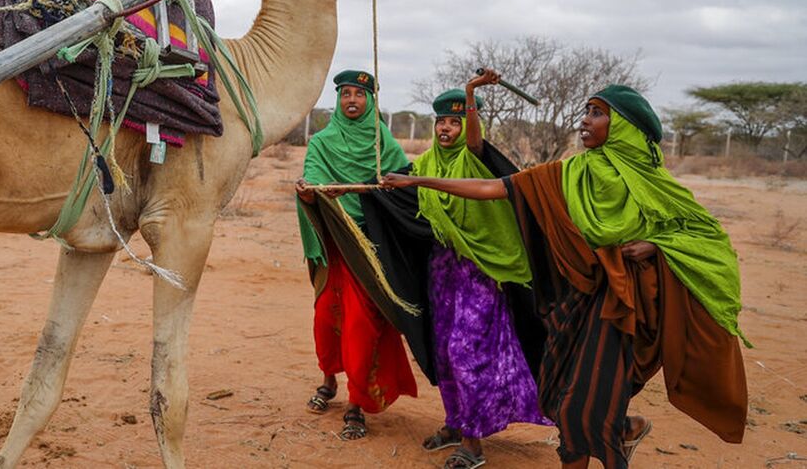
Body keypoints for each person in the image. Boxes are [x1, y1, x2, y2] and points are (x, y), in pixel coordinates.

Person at [380, 85, 748, 468]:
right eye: (585, 111)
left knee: (581, 409)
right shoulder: (572, 170)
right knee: (562, 398)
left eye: (597, 113)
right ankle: (624, 428)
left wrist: (655, 245)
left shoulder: (654, 184)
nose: (585, 120)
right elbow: (494, 188)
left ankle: (618, 432)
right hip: (578, 297)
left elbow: (706, 238)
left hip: (625, 306)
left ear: (623, 125)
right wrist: (418, 181)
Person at [414, 71, 549, 469]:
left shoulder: (473, 157)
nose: (446, 128)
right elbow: (391, 185)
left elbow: (474, 139)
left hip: (480, 269)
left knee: (465, 350)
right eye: (441, 121)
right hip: (443, 269)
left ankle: (473, 446)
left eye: (454, 121)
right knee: (444, 351)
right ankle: (456, 424)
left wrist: (471, 93)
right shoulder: (426, 162)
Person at [294, 70, 418, 441]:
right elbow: (312, 179)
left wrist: (388, 189)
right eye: (346, 93)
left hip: (370, 248)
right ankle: (329, 380)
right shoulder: (322, 142)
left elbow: (403, 185)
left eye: (359, 95)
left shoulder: (384, 143)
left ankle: (356, 404)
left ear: (371, 101)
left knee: (362, 325)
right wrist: (308, 193)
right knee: (324, 318)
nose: (352, 100)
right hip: (335, 244)